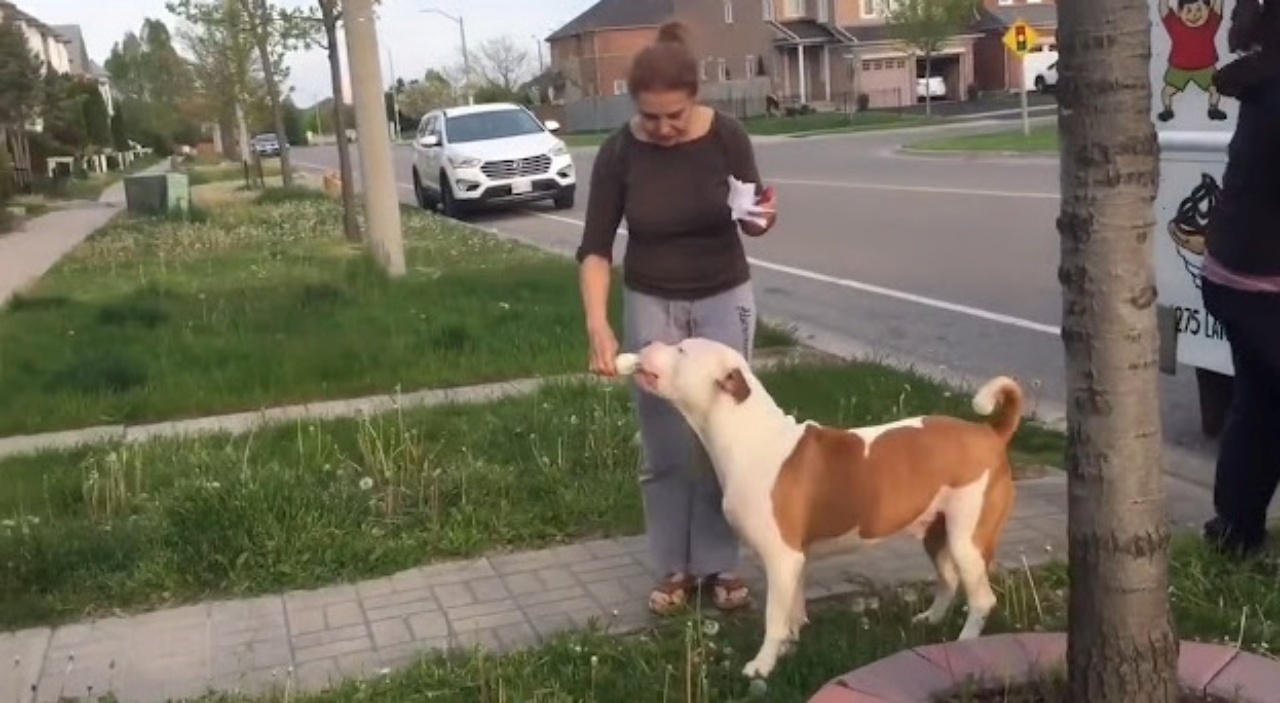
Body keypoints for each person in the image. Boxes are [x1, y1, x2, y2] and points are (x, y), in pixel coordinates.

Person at [575, 21, 779, 614]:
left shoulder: (728, 138)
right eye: (651, 118)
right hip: (653, 301)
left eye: (676, 116)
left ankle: (721, 564)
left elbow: (754, 216)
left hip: (724, 296)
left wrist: (762, 218)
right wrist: (598, 322)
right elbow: (594, 248)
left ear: (695, 99)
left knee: (727, 438)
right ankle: (672, 568)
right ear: (633, 105)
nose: (664, 128)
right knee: (665, 445)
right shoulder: (618, 153)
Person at [1198, 0, 1280, 557]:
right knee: (1260, 403)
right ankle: (1234, 529)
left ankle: (1234, 531)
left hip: (1234, 274)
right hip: (1261, 281)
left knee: (1260, 403)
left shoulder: (1262, 78)